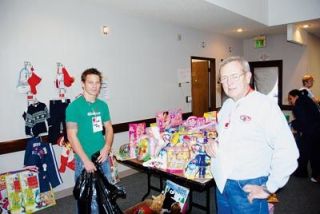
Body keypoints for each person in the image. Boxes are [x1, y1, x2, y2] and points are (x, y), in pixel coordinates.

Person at [205, 56, 299, 214]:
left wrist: (269, 188)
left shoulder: (264, 106)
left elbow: (288, 151)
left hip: (248, 186)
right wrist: (213, 143)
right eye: (224, 78)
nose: (229, 82)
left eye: (234, 76)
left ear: (248, 77)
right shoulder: (227, 106)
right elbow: (225, 137)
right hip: (222, 183)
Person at [66, 68, 114, 213]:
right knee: (87, 201)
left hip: (102, 157)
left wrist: (107, 147)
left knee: (106, 197)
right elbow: (71, 136)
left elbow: (109, 128)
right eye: (90, 82)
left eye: (97, 82)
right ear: (83, 84)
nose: (94, 86)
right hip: (84, 161)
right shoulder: (74, 107)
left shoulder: (102, 105)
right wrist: (85, 160)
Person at [288, 89, 320, 182]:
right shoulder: (307, 100)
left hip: (310, 131)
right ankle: (315, 175)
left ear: (296, 97)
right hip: (316, 130)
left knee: (304, 152)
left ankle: (302, 173)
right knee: (315, 153)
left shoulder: (298, 105)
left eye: (291, 98)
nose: (290, 101)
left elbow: (303, 121)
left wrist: (292, 123)